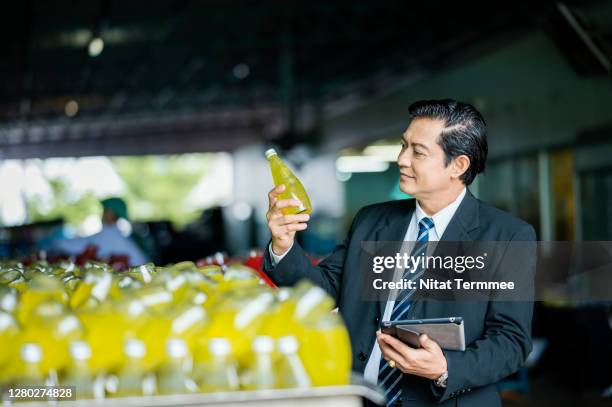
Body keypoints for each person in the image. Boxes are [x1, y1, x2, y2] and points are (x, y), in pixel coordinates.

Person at [264, 99, 535, 407]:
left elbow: (511, 342)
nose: (402, 159)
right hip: (360, 398)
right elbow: (322, 291)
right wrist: (284, 246)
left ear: (458, 166)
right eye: (403, 145)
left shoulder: (507, 236)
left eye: (418, 152)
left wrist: (445, 369)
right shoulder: (371, 221)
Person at [52, 197, 148, 266]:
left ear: (113, 214)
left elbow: (73, 246)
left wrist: (56, 239)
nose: (103, 214)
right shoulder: (117, 236)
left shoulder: (110, 237)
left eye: (106, 211)